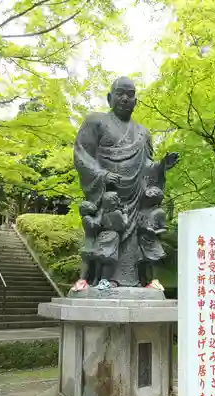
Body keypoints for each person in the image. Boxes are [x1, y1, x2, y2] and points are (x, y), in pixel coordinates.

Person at [74, 76, 179, 287]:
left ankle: (136, 281)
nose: (125, 98)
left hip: (135, 197)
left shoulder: (143, 133)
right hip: (109, 194)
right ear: (109, 97)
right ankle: (100, 280)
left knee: (136, 241)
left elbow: (147, 166)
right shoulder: (95, 121)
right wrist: (102, 175)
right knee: (107, 238)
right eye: (120, 93)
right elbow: (82, 154)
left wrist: (161, 167)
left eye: (130, 95)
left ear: (135, 101)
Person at [94, 191, 128, 290]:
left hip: (102, 235)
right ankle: (104, 280)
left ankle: (96, 279)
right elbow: (124, 225)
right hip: (112, 236)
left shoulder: (101, 213)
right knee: (109, 260)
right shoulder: (117, 213)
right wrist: (125, 214)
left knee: (100, 258)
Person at [137, 186, 166, 289]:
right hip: (140, 238)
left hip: (152, 239)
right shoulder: (140, 210)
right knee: (140, 261)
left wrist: (154, 232)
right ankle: (141, 281)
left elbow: (164, 228)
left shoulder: (159, 212)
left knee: (154, 259)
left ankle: (155, 280)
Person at [71, 200, 101, 292]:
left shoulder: (89, 217)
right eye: (89, 206)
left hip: (95, 241)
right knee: (87, 261)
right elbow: (94, 225)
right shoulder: (86, 218)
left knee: (97, 260)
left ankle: (96, 279)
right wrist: (101, 213)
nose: (92, 206)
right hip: (90, 242)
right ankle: (82, 278)